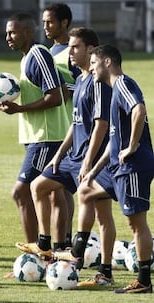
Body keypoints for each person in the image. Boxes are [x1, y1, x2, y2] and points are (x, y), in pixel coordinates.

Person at [16, 28, 116, 287]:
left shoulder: (99, 84)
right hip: (73, 156)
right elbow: (75, 123)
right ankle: (45, 245)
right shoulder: (80, 80)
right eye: (69, 47)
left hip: (93, 158)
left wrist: (88, 161)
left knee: (103, 215)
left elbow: (101, 124)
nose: (69, 52)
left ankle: (104, 271)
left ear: (91, 50)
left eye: (75, 47)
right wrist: (59, 155)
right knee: (39, 185)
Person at [78, 44, 154, 293]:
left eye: (93, 63)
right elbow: (113, 139)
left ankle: (143, 281)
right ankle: (81, 256)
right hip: (116, 169)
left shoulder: (122, 83)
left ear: (107, 62)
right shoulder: (113, 91)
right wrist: (93, 170)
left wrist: (132, 146)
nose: (90, 68)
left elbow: (139, 109)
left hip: (132, 167)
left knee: (136, 223)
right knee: (86, 191)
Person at [0, 13, 70, 246]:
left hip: (47, 138)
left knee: (21, 192)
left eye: (13, 32)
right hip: (38, 138)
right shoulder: (27, 57)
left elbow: (56, 96)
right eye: (7, 32)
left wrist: (19, 109)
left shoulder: (39, 55)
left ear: (28, 32)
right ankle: (56, 251)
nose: (8, 37)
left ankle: (34, 255)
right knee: (54, 194)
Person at [43, 2, 81, 248]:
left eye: (50, 22)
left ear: (64, 23)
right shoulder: (52, 50)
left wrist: (66, 90)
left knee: (60, 189)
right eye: (44, 22)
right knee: (62, 189)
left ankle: (64, 241)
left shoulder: (74, 52)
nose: (45, 26)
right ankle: (66, 240)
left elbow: (90, 84)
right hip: (58, 124)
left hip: (70, 127)